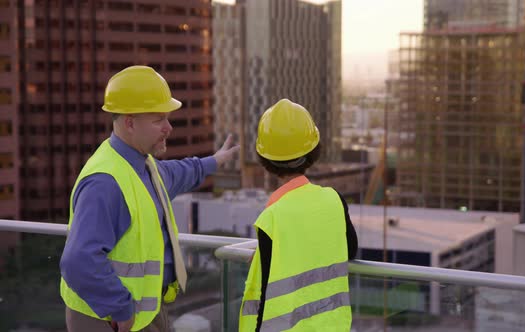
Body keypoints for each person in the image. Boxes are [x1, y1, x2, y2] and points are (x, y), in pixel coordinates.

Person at [59, 65, 239, 332]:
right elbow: (78, 260)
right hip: (108, 318)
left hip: (141, 311)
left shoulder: (143, 166)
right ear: (130, 122)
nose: (169, 128)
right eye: (158, 120)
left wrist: (215, 161)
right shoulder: (105, 182)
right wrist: (119, 307)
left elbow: (179, 173)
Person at [239, 99, 358, 331]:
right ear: (313, 151)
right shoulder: (334, 199)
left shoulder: (272, 217)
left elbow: (265, 294)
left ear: (264, 158)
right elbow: (350, 250)